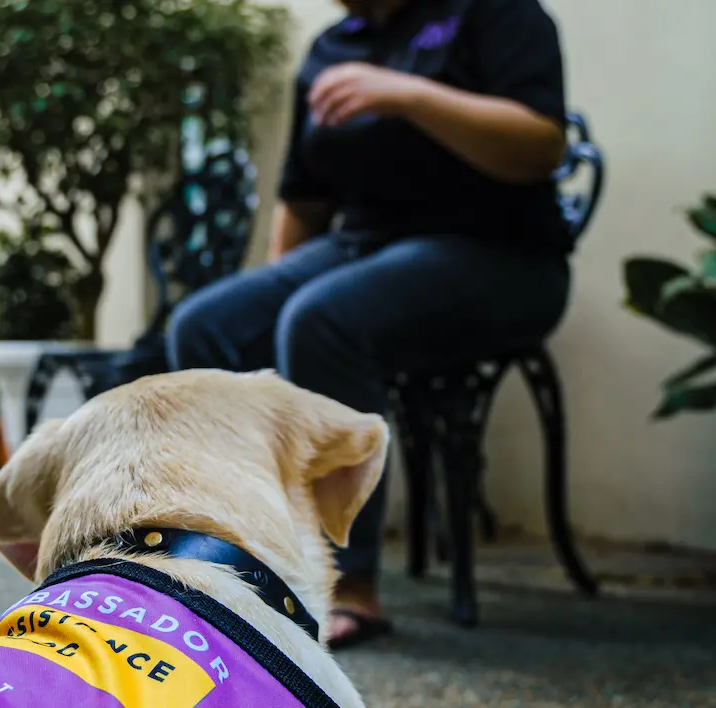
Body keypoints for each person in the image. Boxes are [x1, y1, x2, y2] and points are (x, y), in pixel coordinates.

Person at [166, 0, 572, 649]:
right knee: (207, 325)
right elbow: (303, 201)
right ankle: (240, 554)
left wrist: (408, 95)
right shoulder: (334, 46)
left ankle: (344, 583)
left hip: (498, 253)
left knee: (321, 319)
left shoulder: (496, 15)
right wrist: (272, 302)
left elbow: (541, 147)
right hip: (363, 247)